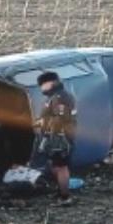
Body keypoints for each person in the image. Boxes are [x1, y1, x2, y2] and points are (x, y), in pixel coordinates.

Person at [35, 71, 76, 206]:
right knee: (56, 166)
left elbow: (61, 119)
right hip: (58, 136)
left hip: (59, 138)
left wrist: (45, 127)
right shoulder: (56, 96)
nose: (41, 88)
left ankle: (65, 197)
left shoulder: (59, 97)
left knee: (61, 167)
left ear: (50, 83)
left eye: (42, 85)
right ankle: (61, 191)